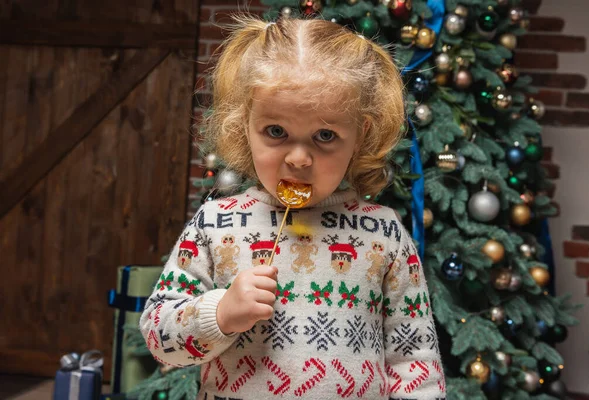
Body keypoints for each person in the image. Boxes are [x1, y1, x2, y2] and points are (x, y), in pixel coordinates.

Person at [140, 14, 446, 399]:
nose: (299, 158)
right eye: (276, 132)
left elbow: (414, 359)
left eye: (325, 135)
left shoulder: (383, 234)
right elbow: (158, 334)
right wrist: (219, 313)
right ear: (244, 124)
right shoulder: (216, 224)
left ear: (361, 134)